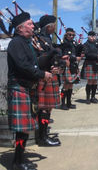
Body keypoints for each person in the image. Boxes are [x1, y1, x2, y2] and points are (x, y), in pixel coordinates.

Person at [7, 12, 52, 170]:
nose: (33, 26)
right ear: (20, 28)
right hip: (19, 87)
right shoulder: (16, 43)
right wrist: (41, 74)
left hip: (26, 88)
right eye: (30, 24)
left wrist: (50, 61)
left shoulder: (26, 43)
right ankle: (17, 161)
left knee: (25, 128)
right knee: (22, 129)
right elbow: (23, 66)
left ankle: (20, 159)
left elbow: (34, 63)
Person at [36, 15, 62, 147]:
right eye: (54, 25)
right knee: (45, 109)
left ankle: (44, 135)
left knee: (48, 109)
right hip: (44, 76)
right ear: (49, 27)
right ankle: (42, 137)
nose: (55, 27)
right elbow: (39, 59)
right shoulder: (40, 39)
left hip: (51, 75)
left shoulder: (47, 39)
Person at [59, 27, 81, 110]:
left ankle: (69, 103)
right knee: (65, 85)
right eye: (69, 34)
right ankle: (62, 103)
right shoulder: (63, 44)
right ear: (66, 35)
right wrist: (72, 59)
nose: (71, 36)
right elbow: (61, 56)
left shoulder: (74, 43)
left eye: (73, 35)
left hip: (73, 66)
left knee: (71, 85)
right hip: (66, 66)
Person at [81, 31, 98, 104]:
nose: (93, 38)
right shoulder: (86, 44)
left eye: (94, 36)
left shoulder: (96, 44)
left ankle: (93, 97)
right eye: (91, 36)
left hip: (96, 64)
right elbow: (87, 54)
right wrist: (96, 56)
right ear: (88, 36)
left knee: (95, 81)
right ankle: (87, 98)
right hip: (89, 63)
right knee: (90, 81)